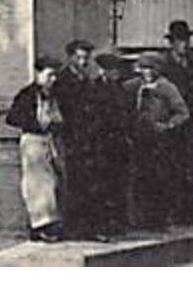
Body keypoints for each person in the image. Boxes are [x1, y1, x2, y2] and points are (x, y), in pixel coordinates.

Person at [51, 39, 111, 241]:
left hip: (89, 139)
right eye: (79, 57)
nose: (83, 61)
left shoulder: (87, 79)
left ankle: (89, 227)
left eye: (86, 58)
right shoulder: (62, 80)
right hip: (71, 139)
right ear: (70, 58)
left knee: (90, 183)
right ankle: (73, 227)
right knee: (73, 184)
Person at [126, 51, 190, 230]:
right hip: (139, 140)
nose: (147, 72)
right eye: (143, 68)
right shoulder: (133, 86)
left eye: (150, 68)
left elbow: (183, 113)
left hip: (159, 142)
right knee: (140, 179)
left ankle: (158, 219)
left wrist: (168, 125)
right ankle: (139, 218)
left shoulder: (167, 87)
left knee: (159, 179)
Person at [6, 55, 65, 242]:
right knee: (39, 184)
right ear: (38, 74)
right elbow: (12, 118)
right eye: (49, 75)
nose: (53, 80)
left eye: (55, 76)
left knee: (54, 181)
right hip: (33, 141)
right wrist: (36, 123)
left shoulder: (55, 94)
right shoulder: (27, 95)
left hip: (51, 140)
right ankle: (41, 225)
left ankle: (51, 223)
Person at [159, 20, 193, 223]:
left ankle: (190, 211)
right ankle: (174, 211)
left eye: (186, 40)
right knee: (174, 167)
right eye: (180, 41)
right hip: (176, 124)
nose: (185, 45)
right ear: (172, 43)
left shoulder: (192, 64)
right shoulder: (166, 66)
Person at [91, 51, 136, 234]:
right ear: (104, 71)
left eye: (117, 69)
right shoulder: (95, 88)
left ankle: (119, 220)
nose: (116, 73)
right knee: (104, 183)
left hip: (120, 142)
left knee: (120, 182)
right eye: (112, 69)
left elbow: (128, 113)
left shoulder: (121, 89)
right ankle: (106, 221)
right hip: (103, 143)